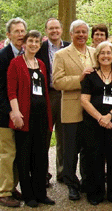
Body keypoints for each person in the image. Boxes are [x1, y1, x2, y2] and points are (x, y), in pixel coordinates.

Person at [7, 30, 55, 207]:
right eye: (31, 41)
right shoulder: (16, 63)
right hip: (24, 117)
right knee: (24, 157)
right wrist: (16, 113)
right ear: (24, 44)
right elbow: (11, 91)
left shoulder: (41, 64)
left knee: (41, 156)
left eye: (37, 41)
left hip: (42, 116)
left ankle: (40, 193)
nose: (34, 44)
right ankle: (29, 195)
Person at [80, 42, 112, 205]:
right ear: (97, 56)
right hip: (93, 123)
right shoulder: (90, 75)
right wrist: (100, 118)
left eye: (109, 53)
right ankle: (95, 193)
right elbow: (84, 100)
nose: (106, 56)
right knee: (94, 157)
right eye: (102, 53)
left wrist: (109, 116)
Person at [53, 19, 96, 201]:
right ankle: (71, 183)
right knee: (70, 150)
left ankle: (87, 180)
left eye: (84, 32)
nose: (81, 35)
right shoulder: (62, 55)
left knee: (89, 148)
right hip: (72, 108)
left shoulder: (95, 52)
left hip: (92, 110)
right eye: (77, 32)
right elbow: (57, 82)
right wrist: (79, 78)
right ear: (70, 34)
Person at [0, 17, 26, 207]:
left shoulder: (26, 55)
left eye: (22, 31)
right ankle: (2, 192)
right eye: (17, 31)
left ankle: (12, 187)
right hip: (5, 116)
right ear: (8, 34)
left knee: (18, 153)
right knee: (6, 154)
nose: (20, 35)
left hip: (23, 114)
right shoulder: (0, 58)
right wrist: (12, 112)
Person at [35, 18, 70, 186]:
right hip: (47, 95)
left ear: (61, 29)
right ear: (46, 31)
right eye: (51, 29)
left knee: (64, 137)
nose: (54, 31)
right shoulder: (39, 49)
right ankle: (42, 174)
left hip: (66, 95)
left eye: (57, 28)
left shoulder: (70, 47)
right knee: (44, 135)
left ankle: (62, 172)